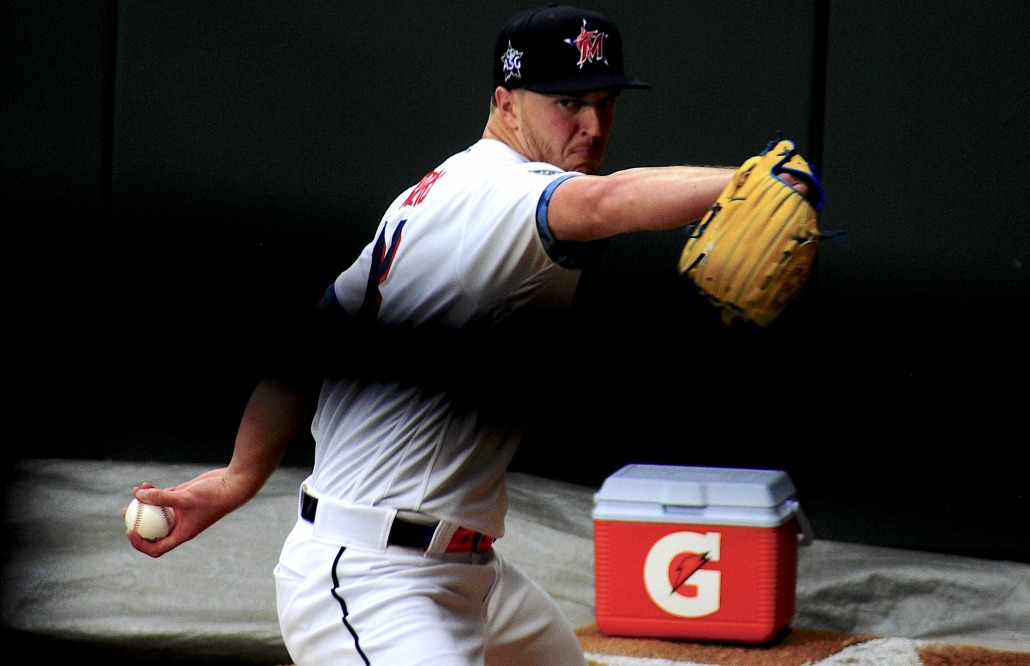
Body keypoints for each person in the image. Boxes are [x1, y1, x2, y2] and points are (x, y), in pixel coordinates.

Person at [126, 5, 809, 665]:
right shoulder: (505, 193)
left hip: (469, 576)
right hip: (372, 584)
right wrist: (747, 181)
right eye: (567, 102)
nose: (593, 124)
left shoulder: (438, 190)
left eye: (605, 101)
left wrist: (237, 479)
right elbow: (604, 203)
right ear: (507, 103)